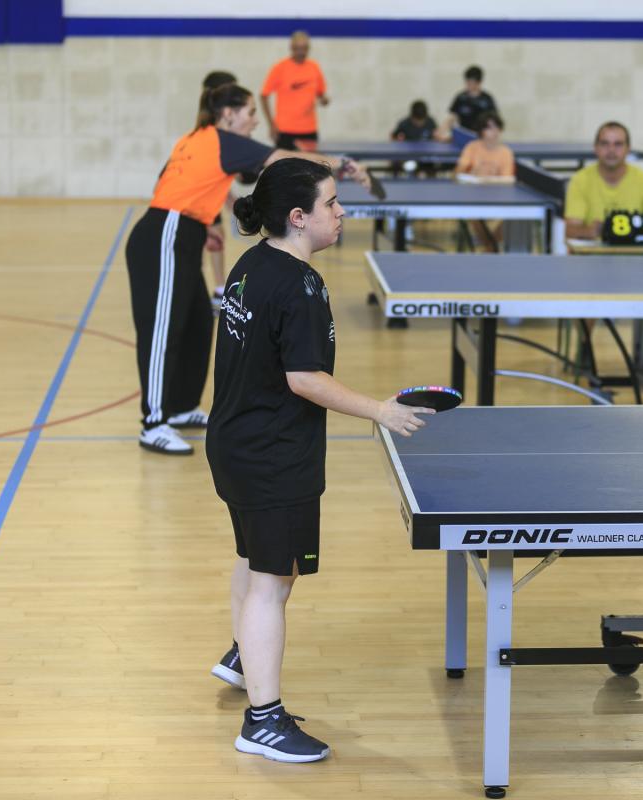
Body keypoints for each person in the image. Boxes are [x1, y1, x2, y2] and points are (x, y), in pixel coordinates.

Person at [205, 158, 432, 762]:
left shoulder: (252, 263)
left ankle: (245, 655)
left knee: (255, 559)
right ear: (299, 217)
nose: (342, 211)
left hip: (234, 444)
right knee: (273, 582)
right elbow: (304, 379)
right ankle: (263, 722)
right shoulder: (301, 287)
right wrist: (380, 411)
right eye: (331, 203)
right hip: (272, 454)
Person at [127, 83, 369, 455]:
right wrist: (342, 164)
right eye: (251, 112)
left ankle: (181, 407)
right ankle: (153, 422)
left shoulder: (195, 140)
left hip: (183, 229)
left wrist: (204, 221)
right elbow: (282, 158)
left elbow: (179, 182)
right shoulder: (221, 139)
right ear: (229, 114)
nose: (256, 121)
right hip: (166, 232)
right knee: (163, 329)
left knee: (197, 322)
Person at [564, 121, 643, 241]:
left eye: (618, 144)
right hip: (592, 252)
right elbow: (570, 229)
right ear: (595, 148)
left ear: (628, 149)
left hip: (634, 252)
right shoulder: (580, 180)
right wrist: (589, 231)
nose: (611, 150)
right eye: (604, 144)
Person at [199, 70, 239, 308]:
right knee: (208, 238)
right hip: (196, 198)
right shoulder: (209, 130)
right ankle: (211, 291)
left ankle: (219, 289)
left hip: (210, 194)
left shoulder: (221, 128)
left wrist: (229, 197)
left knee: (216, 237)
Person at [454, 111, 516, 251]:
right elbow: (457, 173)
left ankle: (489, 247)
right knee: (472, 213)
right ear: (481, 131)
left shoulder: (506, 152)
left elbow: (507, 180)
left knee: (514, 216)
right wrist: (471, 173)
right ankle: (490, 248)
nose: (494, 132)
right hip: (474, 196)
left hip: (499, 196)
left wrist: (484, 179)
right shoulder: (472, 147)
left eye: (496, 127)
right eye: (489, 128)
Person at [260, 30, 328, 151]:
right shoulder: (280, 68)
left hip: (309, 129)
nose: (301, 52)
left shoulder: (314, 67)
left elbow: (321, 93)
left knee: (310, 162)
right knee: (285, 162)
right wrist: (271, 124)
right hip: (285, 129)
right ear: (291, 48)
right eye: (298, 48)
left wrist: (324, 100)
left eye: (304, 48)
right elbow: (264, 96)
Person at [442, 65, 498, 139]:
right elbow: (452, 117)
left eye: (472, 83)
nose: (470, 85)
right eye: (468, 82)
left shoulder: (487, 99)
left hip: (481, 138)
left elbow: (494, 121)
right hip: (463, 137)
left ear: (479, 82)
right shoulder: (460, 97)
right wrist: (442, 131)